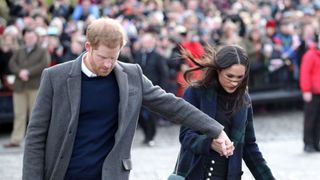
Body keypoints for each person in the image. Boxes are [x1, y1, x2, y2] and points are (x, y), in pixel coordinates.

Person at [22, 17, 234, 180]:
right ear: (88, 47)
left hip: (110, 175)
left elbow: (171, 105)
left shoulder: (131, 75)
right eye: (103, 57)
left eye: (113, 58)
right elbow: (35, 136)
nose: (108, 64)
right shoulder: (55, 77)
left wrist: (215, 128)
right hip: (63, 173)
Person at [173, 45, 275, 179]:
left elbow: (250, 147)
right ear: (218, 71)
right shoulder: (196, 93)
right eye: (229, 76)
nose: (234, 82)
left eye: (240, 77)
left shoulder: (244, 100)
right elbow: (186, 136)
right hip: (195, 173)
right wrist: (209, 143)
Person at [3, 27, 49, 148]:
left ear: (36, 38)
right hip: (19, 87)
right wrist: (20, 72)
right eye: (27, 37)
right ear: (24, 38)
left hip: (35, 86)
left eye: (32, 37)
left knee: (35, 115)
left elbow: (44, 64)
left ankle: (35, 141)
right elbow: (12, 63)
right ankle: (16, 140)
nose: (29, 39)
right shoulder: (19, 50)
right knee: (19, 114)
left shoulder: (42, 51)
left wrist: (28, 72)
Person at [132, 33, 169, 146]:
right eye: (144, 41)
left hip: (153, 90)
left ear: (152, 42)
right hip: (139, 89)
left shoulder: (158, 56)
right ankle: (146, 134)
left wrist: (162, 89)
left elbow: (164, 74)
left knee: (152, 115)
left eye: (148, 42)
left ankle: (150, 136)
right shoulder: (138, 54)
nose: (145, 44)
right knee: (137, 115)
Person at [299, 33, 320, 153]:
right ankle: (308, 142)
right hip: (312, 92)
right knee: (310, 118)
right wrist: (306, 90)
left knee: (318, 119)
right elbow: (305, 74)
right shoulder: (310, 55)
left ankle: (316, 142)